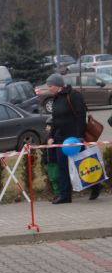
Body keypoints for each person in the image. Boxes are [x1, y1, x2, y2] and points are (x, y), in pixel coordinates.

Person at [45, 73, 101, 203]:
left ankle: (95, 186)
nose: (49, 88)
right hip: (60, 139)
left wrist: (80, 136)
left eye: (50, 86)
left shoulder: (74, 95)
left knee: (83, 164)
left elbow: (81, 116)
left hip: (74, 138)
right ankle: (65, 196)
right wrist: (51, 136)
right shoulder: (56, 98)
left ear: (58, 85)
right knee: (62, 166)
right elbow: (55, 120)